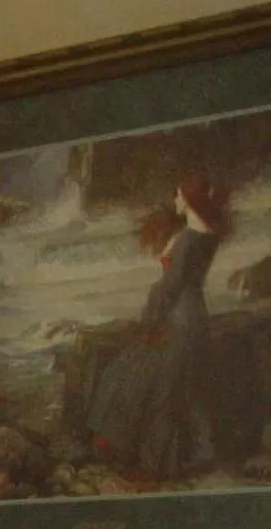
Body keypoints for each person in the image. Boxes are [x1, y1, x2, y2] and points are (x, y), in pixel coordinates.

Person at [84, 175, 230, 481]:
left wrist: (150, 320)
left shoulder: (188, 239)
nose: (174, 201)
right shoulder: (208, 236)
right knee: (186, 388)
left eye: (178, 196)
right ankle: (198, 455)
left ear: (188, 199)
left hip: (177, 320)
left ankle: (155, 463)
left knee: (146, 382)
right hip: (196, 318)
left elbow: (170, 287)